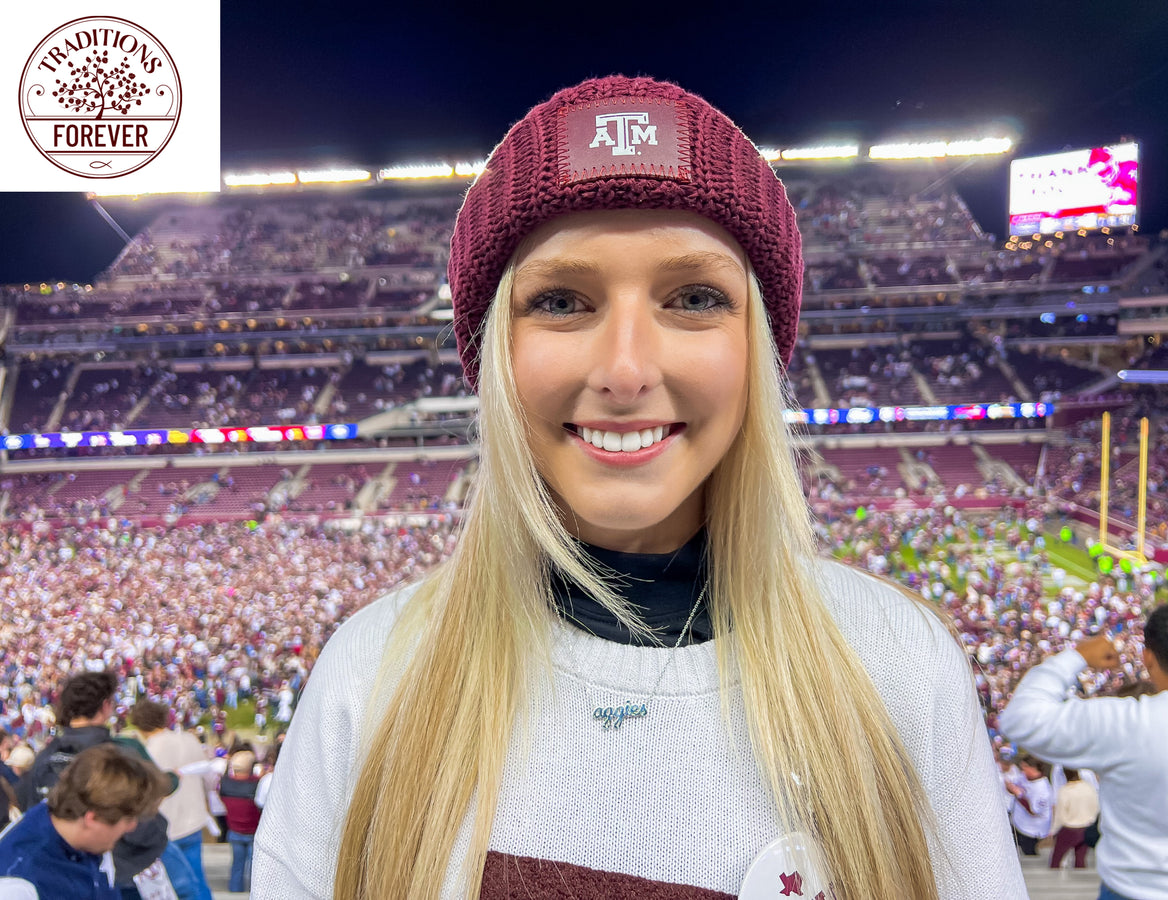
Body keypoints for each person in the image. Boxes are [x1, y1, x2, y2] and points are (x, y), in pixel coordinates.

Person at [254, 75, 1025, 899]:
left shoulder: (900, 663)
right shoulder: (370, 676)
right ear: (494, 359)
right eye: (559, 300)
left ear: (757, 352)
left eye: (694, 298)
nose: (625, 370)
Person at [1001, 602, 1168, 900]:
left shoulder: (1127, 721)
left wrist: (1076, 656)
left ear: (1148, 657)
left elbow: (1020, 719)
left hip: (1134, 890)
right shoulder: (1128, 720)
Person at [15, 671, 175, 897]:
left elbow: (27, 804)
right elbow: (149, 829)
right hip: (118, 876)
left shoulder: (45, 757)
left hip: (71, 873)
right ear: (106, 705)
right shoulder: (121, 753)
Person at [0, 743, 170, 899]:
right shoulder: (18, 884)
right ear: (93, 818)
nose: (132, 827)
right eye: (128, 820)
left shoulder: (89, 838)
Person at [129, 698, 214, 900]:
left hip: (166, 824)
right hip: (194, 818)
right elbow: (208, 779)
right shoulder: (189, 739)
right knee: (197, 880)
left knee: (173, 886)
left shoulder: (148, 750)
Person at [219, 750, 260, 893]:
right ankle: (255, 893)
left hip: (235, 830)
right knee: (254, 868)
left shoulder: (225, 784)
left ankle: (235, 890)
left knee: (237, 865)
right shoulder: (256, 784)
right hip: (253, 831)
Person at [1048, 768, 1099, 870]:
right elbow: (1096, 807)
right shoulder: (1089, 788)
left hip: (1070, 829)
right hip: (1086, 828)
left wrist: (1053, 830)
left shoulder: (1065, 791)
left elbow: (1060, 815)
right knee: (1080, 860)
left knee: (1056, 861)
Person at [1005, 755, 1052, 856]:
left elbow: (1034, 811)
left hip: (1031, 829)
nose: (1023, 771)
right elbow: (1012, 787)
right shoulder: (1023, 777)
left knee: (1030, 855)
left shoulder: (1043, 788)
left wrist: (1019, 794)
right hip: (1018, 823)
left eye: (1025, 768)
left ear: (1033, 768)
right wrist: (1011, 788)